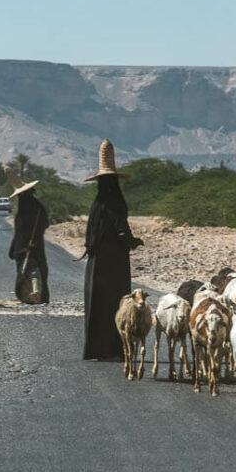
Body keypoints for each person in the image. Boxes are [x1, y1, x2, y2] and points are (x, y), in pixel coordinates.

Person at [82, 139, 143, 360]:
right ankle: (114, 348)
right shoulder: (116, 202)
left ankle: (96, 348)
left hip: (95, 262)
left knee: (97, 302)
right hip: (114, 262)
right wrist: (133, 241)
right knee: (116, 301)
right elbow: (120, 230)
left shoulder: (97, 204)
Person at [5, 166, 50, 304]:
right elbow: (46, 224)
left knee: (25, 272)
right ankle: (40, 296)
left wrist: (13, 249)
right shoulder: (39, 208)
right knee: (39, 270)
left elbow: (18, 232)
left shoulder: (21, 211)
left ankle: (28, 296)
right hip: (36, 247)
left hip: (22, 249)